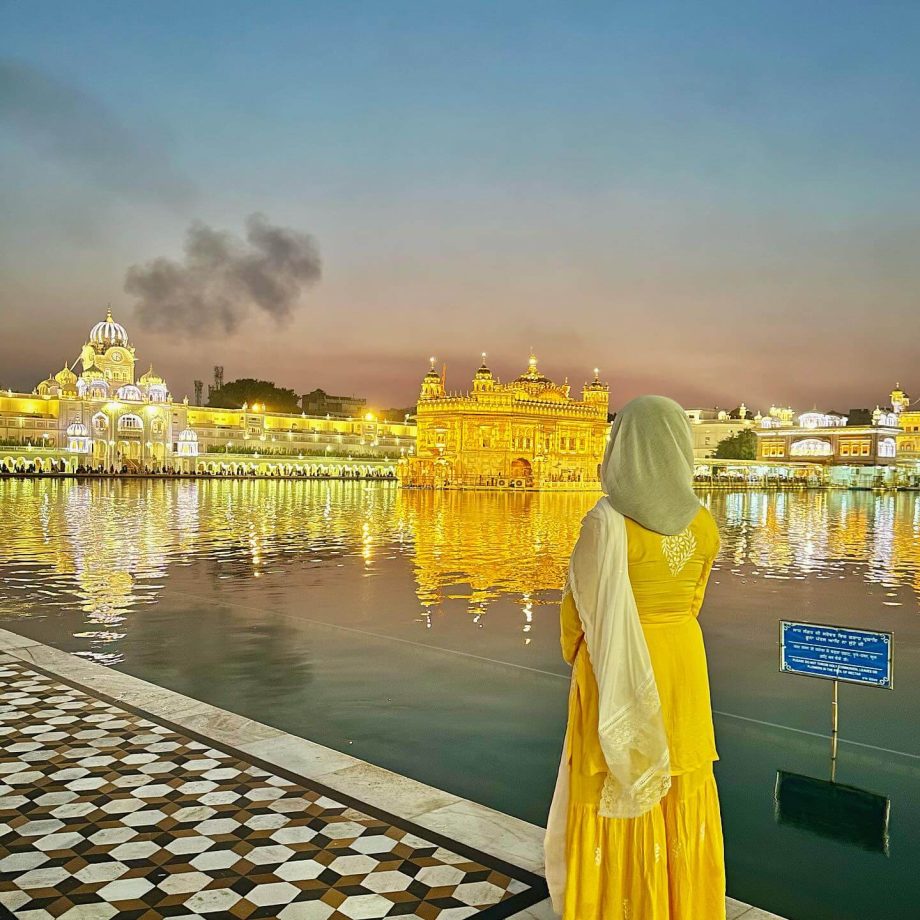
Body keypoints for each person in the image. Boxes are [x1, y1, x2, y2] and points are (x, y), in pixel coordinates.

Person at [545, 395, 725, 920]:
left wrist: (581, 656)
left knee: (614, 777)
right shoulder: (704, 525)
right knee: (681, 781)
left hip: (618, 667)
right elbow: (693, 603)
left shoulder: (605, 523)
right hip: (683, 664)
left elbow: (577, 617)